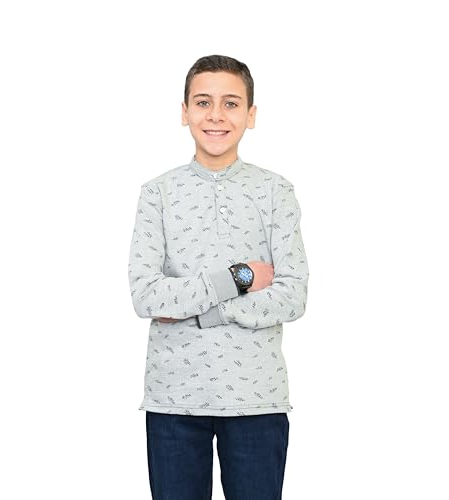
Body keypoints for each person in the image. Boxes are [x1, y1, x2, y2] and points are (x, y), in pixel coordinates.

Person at [128, 54, 309, 500]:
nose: (216, 115)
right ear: (184, 111)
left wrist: (198, 312)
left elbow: (292, 295)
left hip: (257, 397)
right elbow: (147, 295)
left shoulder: (275, 192)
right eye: (203, 102)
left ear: (251, 115)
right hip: (173, 395)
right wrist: (239, 277)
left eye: (231, 103)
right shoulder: (157, 194)